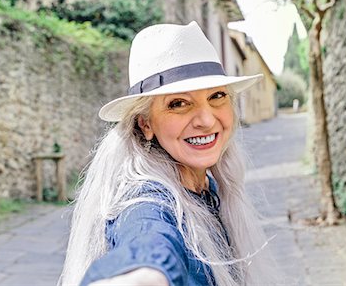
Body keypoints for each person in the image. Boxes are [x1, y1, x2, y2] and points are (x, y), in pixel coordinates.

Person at [59, 21, 274, 286]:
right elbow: (148, 243)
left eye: (217, 96)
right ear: (145, 124)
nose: (206, 120)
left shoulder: (209, 185)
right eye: (179, 103)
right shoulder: (146, 203)